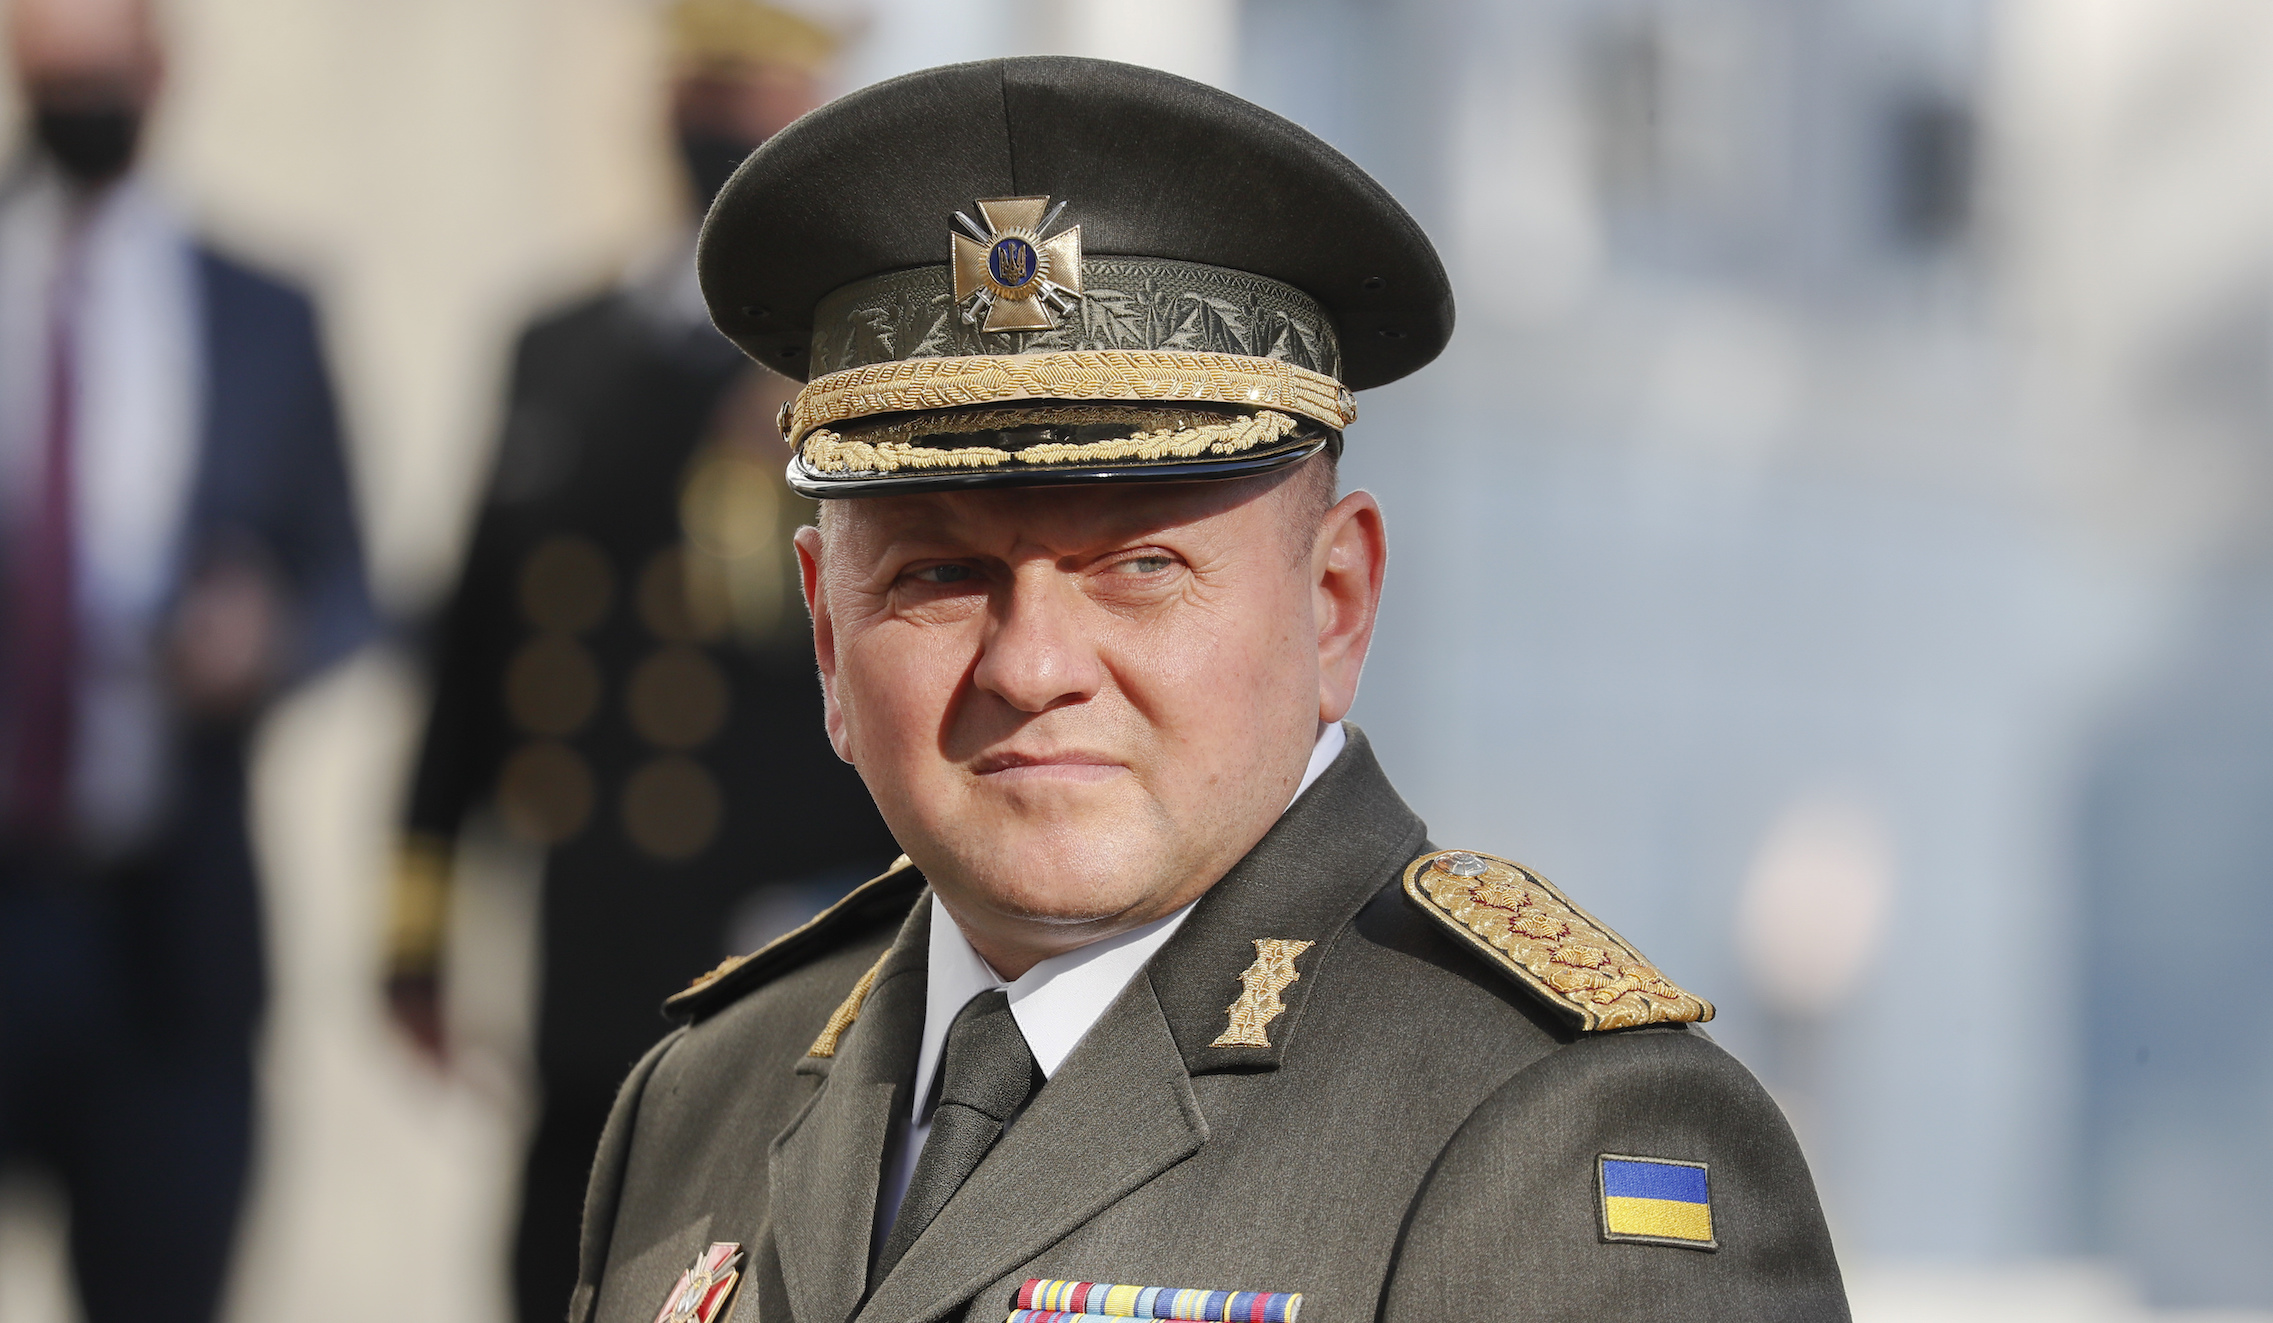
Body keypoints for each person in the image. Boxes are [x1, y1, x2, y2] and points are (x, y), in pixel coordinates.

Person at [570, 56, 1849, 1323]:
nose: (1030, 666)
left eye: (1139, 566)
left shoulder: (1563, 1138)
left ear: (1334, 602)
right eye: (940, 574)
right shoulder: (699, 1100)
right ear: (824, 635)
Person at [381, 5, 899, 1320]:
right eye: (707, 91)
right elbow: (475, 652)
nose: (724, 125)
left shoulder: (855, 360)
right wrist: (418, 926)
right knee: (557, 1269)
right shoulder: (560, 348)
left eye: (758, 94)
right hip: (587, 940)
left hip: (776, 925)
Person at [0, 1, 376, 1320]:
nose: (76, 99)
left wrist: (264, 636)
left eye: (99, 69)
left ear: (156, 69)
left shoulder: (256, 312)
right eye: (50, 69)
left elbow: (346, 581)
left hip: (170, 921)